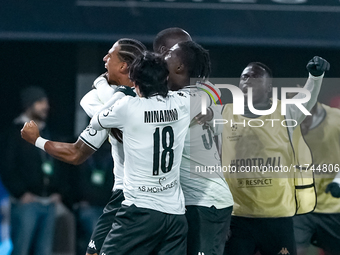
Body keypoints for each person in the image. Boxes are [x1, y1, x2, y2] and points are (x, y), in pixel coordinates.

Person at [21, 38, 147, 255]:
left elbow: (87, 107)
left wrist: (37, 140)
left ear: (124, 65)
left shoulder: (117, 106)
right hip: (158, 201)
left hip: (130, 197)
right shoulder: (163, 102)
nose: (104, 58)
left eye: (110, 55)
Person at [89, 51, 204, 255]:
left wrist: (110, 89)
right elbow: (201, 91)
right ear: (166, 78)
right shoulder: (183, 102)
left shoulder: (128, 106)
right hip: (175, 215)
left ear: (135, 82)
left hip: (140, 211)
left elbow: (96, 120)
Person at [222, 57, 330, 255]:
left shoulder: (285, 111)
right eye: (244, 77)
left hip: (277, 218)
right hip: (238, 218)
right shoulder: (224, 113)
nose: (247, 81)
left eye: (254, 76)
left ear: (268, 85)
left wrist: (315, 76)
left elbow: (307, 98)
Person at [164, 40, 234, 255]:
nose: (164, 55)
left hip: (206, 202)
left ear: (180, 66)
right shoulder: (200, 95)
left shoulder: (185, 100)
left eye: (170, 53)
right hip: (195, 201)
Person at [0, 86, 66, 255]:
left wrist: (57, 191)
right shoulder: (15, 133)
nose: (46, 106)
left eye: (46, 102)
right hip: (27, 203)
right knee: (21, 249)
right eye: (40, 102)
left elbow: (57, 163)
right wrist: (20, 193)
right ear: (29, 105)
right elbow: (7, 167)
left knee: (44, 250)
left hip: (49, 201)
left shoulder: (47, 132)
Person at [293, 102, 340, 255]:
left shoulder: (336, 120)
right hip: (300, 208)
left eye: (303, 120)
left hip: (333, 207)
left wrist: (338, 182)